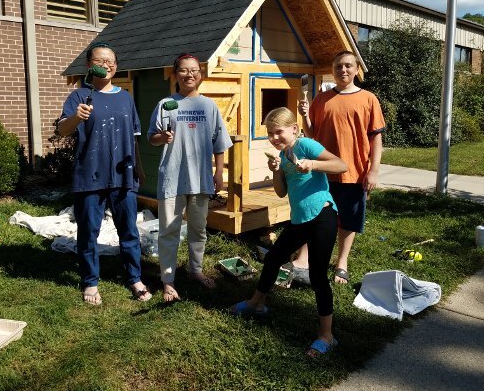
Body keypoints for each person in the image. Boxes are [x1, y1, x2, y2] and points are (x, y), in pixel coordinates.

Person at [228, 107, 347, 358]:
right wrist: (275, 170)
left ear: (294, 129)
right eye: (270, 134)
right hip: (300, 219)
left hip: (323, 215)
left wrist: (312, 164)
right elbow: (281, 192)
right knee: (272, 259)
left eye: (279, 132)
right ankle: (256, 304)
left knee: (317, 275)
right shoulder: (283, 156)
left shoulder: (306, 145)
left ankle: (327, 336)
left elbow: (340, 164)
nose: (274, 138)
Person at [57, 42, 152, 305]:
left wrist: (140, 170)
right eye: (101, 60)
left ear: (116, 66)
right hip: (89, 175)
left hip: (123, 176)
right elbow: (62, 130)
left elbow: (134, 139)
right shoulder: (79, 96)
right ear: (90, 66)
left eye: (111, 61)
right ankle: (90, 282)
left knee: (129, 231)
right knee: (88, 232)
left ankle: (135, 278)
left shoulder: (125, 98)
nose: (107, 65)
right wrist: (76, 117)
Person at [148, 53, 232, 302]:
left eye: (194, 70)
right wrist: (162, 138)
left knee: (199, 229)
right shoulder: (166, 104)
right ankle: (168, 280)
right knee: (169, 231)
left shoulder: (209, 106)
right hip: (172, 178)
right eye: (183, 70)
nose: (189, 75)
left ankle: (195, 270)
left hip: (201, 179)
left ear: (201, 74)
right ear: (176, 74)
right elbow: (152, 138)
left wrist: (219, 172)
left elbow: (219, 143)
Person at [297, 50, 386, 284]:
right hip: (322, 172)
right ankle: (304, 259)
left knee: (348, 219)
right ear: (333, 70)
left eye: (348, 66)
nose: (343, 70)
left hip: (354, 172)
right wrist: (304, 116)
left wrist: (373, 170)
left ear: (357, 70)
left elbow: (376, 138)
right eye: (338, 66)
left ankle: (341, 262)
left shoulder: (369, 99)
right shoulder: (320, 99)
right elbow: (311, 134)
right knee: (315, 215)